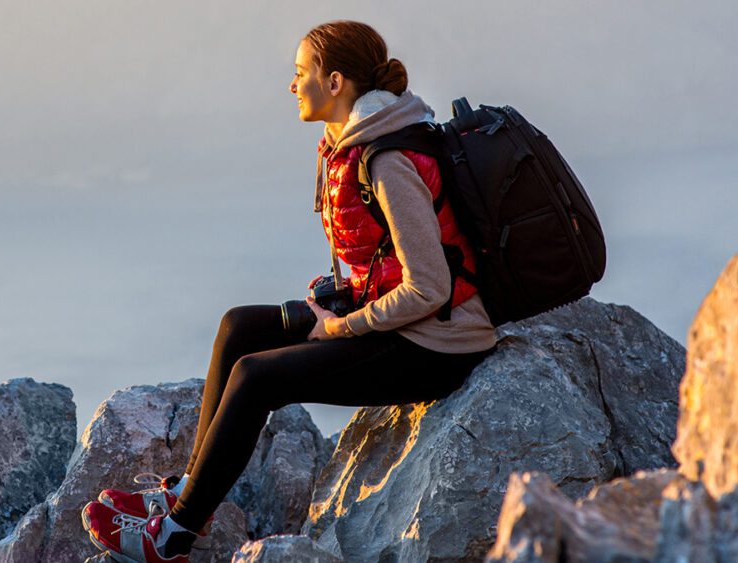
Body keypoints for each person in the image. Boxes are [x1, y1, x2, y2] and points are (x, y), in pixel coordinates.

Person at [80, 20, 500, 563]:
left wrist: (339, 326)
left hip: (437, 347)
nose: (291, 85)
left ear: (334, 82)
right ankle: (190, 490)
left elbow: (429, 287)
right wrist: (338, 298)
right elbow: (382, 258)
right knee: (240, 326)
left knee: (257, 377)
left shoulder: (389, 161)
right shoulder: (355, 140)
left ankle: (172, 537)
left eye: (300, 73)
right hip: (396, 319)